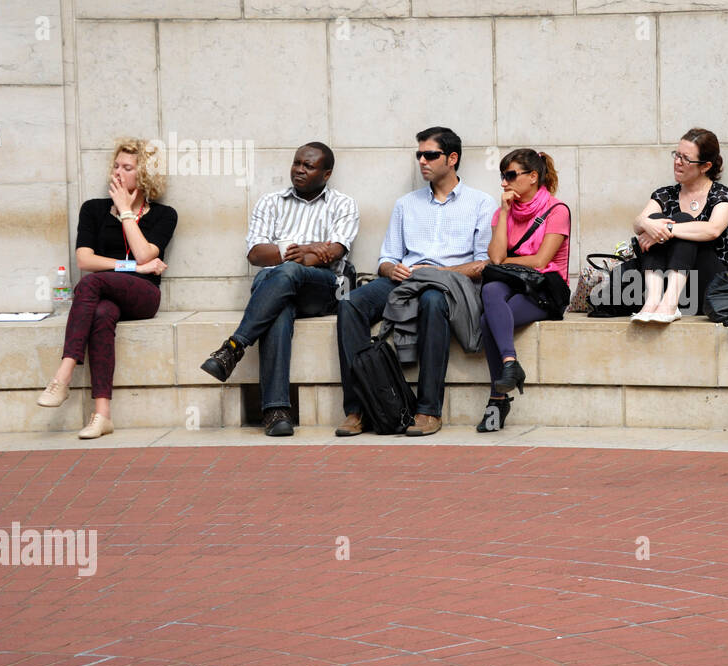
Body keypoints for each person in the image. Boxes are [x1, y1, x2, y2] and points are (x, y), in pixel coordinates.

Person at [334, 126, 494, 438]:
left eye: (430, 155)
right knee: (350, 304)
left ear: (452, 158)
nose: (422, 160)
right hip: (404, 280)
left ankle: (428, 410)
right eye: (419, 154)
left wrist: (440, 274)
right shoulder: (406, 204)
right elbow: (386, 258)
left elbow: (482, 264)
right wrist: (390, 270)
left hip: (448, 284)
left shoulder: (480, 203)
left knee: (433, 302)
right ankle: (358, 409)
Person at [198, 142, 359, 437]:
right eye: (296, 163)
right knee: (280, 302)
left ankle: (233, 348)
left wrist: (289, 253)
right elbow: (256, 255)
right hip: (276, 286)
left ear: (326, 174)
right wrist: (305, 249)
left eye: (308, 166)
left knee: (287, 271)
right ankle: (276, 412)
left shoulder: (343, 204)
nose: (299, 170)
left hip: (327, 288)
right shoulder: (270, 202)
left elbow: (334, 252)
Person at [37, 139, 178, 439]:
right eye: (115, 166)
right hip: (106, 293)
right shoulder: (93, 210)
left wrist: (126, 212)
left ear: (145, 176)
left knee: (90, 283)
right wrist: (135, 268)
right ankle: (102, 416)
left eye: (127, 168)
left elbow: (143, 253)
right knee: (101, 313)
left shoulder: (165, 215)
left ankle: (64, 374)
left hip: (143, 296)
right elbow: (84, 259)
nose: (118, 174)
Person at [476, 148, 570, 433]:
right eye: (502, 176)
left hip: (545, 291)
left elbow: (541, 261)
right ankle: (510, 363)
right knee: (491, 289)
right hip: (514, 284)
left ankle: (497, 398)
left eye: (510, 175)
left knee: (487, 320)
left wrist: (505, 261)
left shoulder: (557, 210)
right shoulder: (501, 212)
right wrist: (504, 213)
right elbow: (495, 257)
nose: (504, 182)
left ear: (532, 177)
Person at [631, 128, 728, 322]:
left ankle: (669, 304)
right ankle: (653, 301)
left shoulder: (721, 194)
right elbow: (637, 224)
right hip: (677, 285)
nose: (677, 162)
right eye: (677, 155)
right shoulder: (665, 194)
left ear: (705, 166)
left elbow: (712, 230)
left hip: (712, 285)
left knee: (682, 220)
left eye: (686, 158)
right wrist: (647, 223)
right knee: (653, 218)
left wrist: (667, 229)